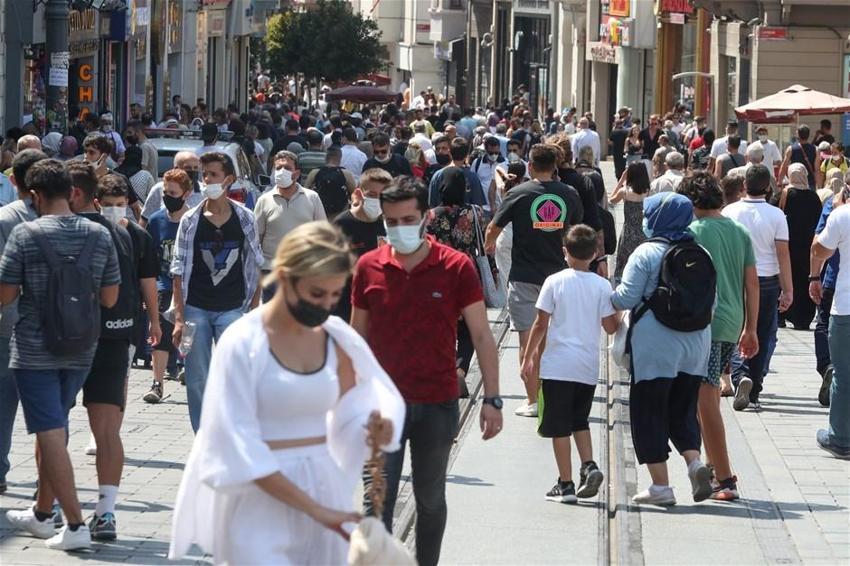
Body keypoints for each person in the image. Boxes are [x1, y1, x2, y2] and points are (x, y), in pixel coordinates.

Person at [168, 221, 406, 563]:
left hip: (324, 485)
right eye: (315, 293)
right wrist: (314, 509)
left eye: (334, 295)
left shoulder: (335, 336)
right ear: (284, 276)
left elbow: (355, 404)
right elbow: (236, 440)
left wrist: (375, 425)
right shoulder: (243, 341)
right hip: (258, 496)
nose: (325, 305)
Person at [351, 177, 502, 566]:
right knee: (375, 505)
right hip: (381, 408)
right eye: (391, 221)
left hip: (436, 403)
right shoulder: (369, 267)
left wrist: (492, 398)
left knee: (430, 500)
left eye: (408, 219)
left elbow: (482, 336)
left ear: (425, 218)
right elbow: (356, 340)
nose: (399, 228)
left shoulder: (455, 266)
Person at [1, 159, 120, 550]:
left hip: (35, 348)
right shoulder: (99, 235)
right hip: (83, 346)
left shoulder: (24, 234)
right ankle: (41, 514)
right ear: (72, 192)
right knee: (57, 424)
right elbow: (109, 297)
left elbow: (6, 296)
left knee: (48, 432)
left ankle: (73, 524)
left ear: (34, 195)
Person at [67, 168, 160, 540]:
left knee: (55, 426)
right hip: (114, 335)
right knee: (106, 431)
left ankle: (53, 507)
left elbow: (146, 281)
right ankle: (105, 512)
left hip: (70, 339)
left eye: (120, 205)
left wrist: (155, 321)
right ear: (94, 200)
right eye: (109, 205)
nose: (114, 211)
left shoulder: (75, 231)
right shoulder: (126, 236)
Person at [611, 192, 713, 506]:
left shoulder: (646, 252)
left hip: (655, 346)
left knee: (649, 411)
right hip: (696, 344)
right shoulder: (702, 253)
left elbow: (625, 299)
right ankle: (695, 463)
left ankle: (661, 487)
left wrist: (605, 294)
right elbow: (713, 301)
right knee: (682, 410)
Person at [484, 144, 584, 418]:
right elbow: (577, 231)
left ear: (530, 166)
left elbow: (494, 227)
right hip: (559, 276)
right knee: (555, 341)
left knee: (527, 340)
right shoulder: (569, 194)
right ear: (555, 166)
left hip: (524, 276)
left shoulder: (518, 193)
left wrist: (489, 246)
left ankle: (532, 401)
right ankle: (555, 400)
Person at [521, 224, 617, 503]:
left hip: (557, 365)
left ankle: (565, 484)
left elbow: (540, 323)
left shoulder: (555, 281)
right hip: (587, 367)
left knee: (558, 426)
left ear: (565, 252)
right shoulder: (602, 285)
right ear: (595, 253)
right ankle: (589, 464)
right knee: (579, 420)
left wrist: (528, 358)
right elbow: (610, 328)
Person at [678, 172, 759, 501]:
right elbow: (751, 283)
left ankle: (725, 479)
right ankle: (713, 466)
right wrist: (750, 328)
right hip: (732, 321)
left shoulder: (692, 232)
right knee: (708, 396)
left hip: (704, 323)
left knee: (706, 398)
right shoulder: (738, 231)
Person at [170, 152, 264, 432]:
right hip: (196, 307)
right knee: (197, 378)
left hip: (233, 307)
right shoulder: (190, 220)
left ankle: (230, 431)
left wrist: (254, 308)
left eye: (213, 174)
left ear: (228, 180)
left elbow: (256, 262)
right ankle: (203, 435)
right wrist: (178, 316)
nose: (207, 180)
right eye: (204, 175)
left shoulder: (245, 218)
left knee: (234, 375)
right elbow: (178, 269)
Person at [723, 165, 793, 411]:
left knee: (737, 330)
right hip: (767, 280)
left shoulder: (730, 211)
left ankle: (740, 374)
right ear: (768, 187)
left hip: (736, 278)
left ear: (744, 185)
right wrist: (789, 289)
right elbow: (783, 255)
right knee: (763, 331)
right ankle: (756, 386)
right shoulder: (776, 216)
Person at [0, 149, 44, 496]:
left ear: (13, 179)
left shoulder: (4, 219)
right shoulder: (61, 214)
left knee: (4, 399)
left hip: (10, 321)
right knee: (50, 407)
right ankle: (48, 479)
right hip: (54, 323)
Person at [426, 167, 488, 398]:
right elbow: (483, 244)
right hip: (467, 271)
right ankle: (460, 370)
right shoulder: (476, 213)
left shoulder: (430, 215)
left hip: (438, 273)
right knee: (468, 328)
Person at [144, 169, 194, 404]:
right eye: (165, 192)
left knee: (188, 332)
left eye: (173, 193)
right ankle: (158, 383)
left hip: (189, 286)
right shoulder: (156, 220)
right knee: (161, 333)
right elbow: (149, 257)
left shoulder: (193, 220)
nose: (168, 197)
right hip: (163, 284)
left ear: (186, 194)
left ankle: (186, 367)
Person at [809, 190, 850, 459]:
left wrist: (833, 211)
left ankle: (840, 437)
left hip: (846, 307)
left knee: (844, 376)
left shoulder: (842, 214)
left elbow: (819, 249)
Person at [255, 150, 326, 301]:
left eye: (287, 168)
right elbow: (257, 237)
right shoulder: (264, 200)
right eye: (278, 168)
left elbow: (322, 235)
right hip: (272, 271)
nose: (281, 172)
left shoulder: (312, 198)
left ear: (297, 173)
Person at [332, 168, 391, 322]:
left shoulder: (389, 224)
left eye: (382, 196)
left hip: (379, 305)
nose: (378, 200)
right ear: (359, 194)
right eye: (372, 195)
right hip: (346, 305)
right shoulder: (343, 223)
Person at [778, 163, 823, 330]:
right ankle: (803, 318)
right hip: (807, 248)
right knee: (804, 280)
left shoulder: (784, 194)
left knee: (785, 277)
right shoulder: (813, 197)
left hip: (787, 245)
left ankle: (781, 314)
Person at [610, 161, 650, 281]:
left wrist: (621, 180)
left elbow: (611, 200)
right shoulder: (648, 191)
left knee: (624, 262)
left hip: (628, 231)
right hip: (644, 232)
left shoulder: (625, 191)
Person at [140, 151, 204, 226]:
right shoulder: (159, 189)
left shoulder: (204, 192)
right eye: (188, 168)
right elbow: (145, 219)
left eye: (195, 168)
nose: (193, 171)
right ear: (176, 168)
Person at [427, 138, 486, 208]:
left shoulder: (438, 175)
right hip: (467, 218)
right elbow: (478, 207)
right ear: (466, 155)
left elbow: (432, 204)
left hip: (442, 217)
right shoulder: (472, 177)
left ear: (450, 152)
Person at [304, 146, 356, 220]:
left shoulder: (315, 172)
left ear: (326, 158)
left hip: (319, 212)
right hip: (340, 214)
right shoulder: (346, 174)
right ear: (340, 158)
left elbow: (305, 191)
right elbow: (354, 194)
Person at [470, 137, 505, 213]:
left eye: (496, 153)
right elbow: (472, 183)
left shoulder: (505, 163)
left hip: (500, 208)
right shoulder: (477, 163)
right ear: (486, 150)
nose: (494, 155)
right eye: (491, 153)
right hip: (482, 208)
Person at [779, 124, 817, 189]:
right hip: (810, 183)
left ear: (798, 135)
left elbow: (784, 166)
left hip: (795, 183)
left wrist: (780, 182)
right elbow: (817, 169)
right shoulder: (815, 149)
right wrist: (819, 186)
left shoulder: (791, 149)